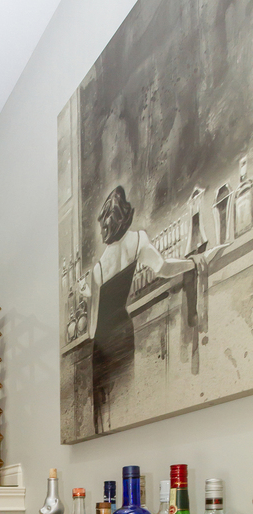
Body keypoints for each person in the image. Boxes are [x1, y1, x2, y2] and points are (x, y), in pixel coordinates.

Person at [78, 186, 196, 434]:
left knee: (104, 411)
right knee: (127, 400)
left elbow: (90, 330)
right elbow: (163, 268)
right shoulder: (138, 240)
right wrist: (192, 263)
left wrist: (87, 294)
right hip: (122, 330)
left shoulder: (98, 269)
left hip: (101, 341)